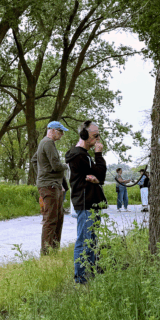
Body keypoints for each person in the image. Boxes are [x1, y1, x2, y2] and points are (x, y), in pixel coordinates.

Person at [65, 120, 107, 284]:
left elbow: (99, 178)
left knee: (92, 240)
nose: (98, 139)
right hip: (85, 202)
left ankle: (90, 274)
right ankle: (80, 279)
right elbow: (101, 176)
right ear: (84, 135)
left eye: (98, 136)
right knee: (84, 241)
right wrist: (98, 155)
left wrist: (97, 177)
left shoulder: (84, 155)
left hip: (92, 202)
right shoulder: (78, 156)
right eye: (95, 135)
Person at [35, 121, 70, 255]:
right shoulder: (47, 143)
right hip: (48, 186)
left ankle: (54, 249)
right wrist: (68, 166)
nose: (61, 135)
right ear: (53, 130)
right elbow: (56, 165)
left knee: (58, 217)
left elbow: (35, 160)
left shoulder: (46, 143)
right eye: (60, 132)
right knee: (50, 219)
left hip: (54, 185)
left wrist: (57, 181)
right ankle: (46, 253)